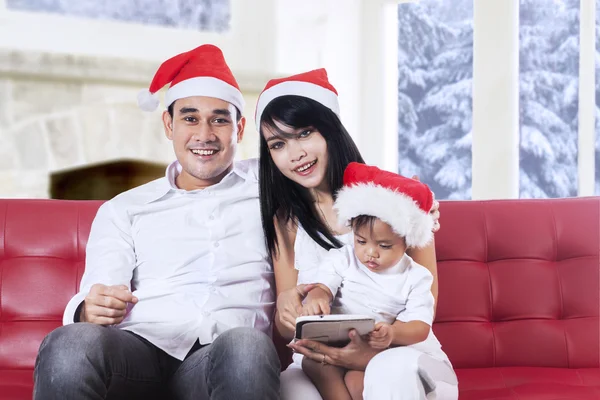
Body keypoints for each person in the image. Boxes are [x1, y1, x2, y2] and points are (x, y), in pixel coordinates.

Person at [33, 44, 280, 400]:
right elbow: (99, 293)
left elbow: (333, 169)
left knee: (245, 346)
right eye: (190, 118)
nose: (205, 135)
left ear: (240, 128)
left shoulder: (272, 188)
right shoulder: (125, 209)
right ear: (169, 124)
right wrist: (92, 307)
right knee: (71, 343)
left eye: (220, 119)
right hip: (137, 356)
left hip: (222, 357)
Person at [255, 69, 442, 399]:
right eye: (278, 144)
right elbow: (289, 324)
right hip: (322, 359)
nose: (295, 153)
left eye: (305, 133)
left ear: (330, 131)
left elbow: (426, 298)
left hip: (395, 350)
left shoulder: (391, 199)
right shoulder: (285, 221)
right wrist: (288, 308)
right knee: (290, 390)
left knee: (387, 377)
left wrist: (367, 354)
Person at [297, 162, 458, 400]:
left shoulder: (416, 277)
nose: (370, 253)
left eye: (384, 246)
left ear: (407, 242)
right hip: (342, 345)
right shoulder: (344, 257)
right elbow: (324, 284)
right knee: (312, 364)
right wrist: (319, 295)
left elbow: (420, 326)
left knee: (357, 381)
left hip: (382, 351)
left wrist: (392, 333)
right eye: (361, 241)